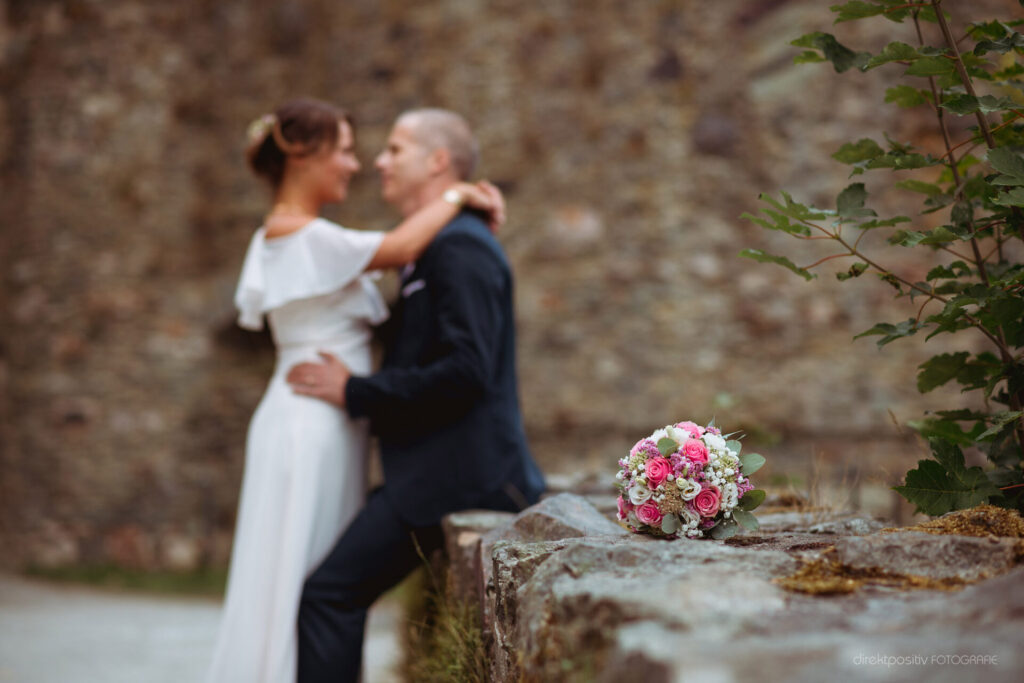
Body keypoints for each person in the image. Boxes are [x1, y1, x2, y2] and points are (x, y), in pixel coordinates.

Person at [206, 98, 505, 683]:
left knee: (311, 579)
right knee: (301, 582)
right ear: (302, 154)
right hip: (308, 423)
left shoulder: (317, 238)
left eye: (378, 150)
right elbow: (398, 249)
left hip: (333, 423)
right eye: (344, 149)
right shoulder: (301, 234)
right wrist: (459, 194)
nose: (358, 163)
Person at [285, 108, 545, 683]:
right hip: (433, 474)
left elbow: (467, 371)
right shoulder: (436, 245)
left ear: (437, 161)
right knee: (330, 595)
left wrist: (354, 390)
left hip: (456, 477)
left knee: (327, 597)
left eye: (395, 149)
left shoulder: (461, 246)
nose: (380, 160)